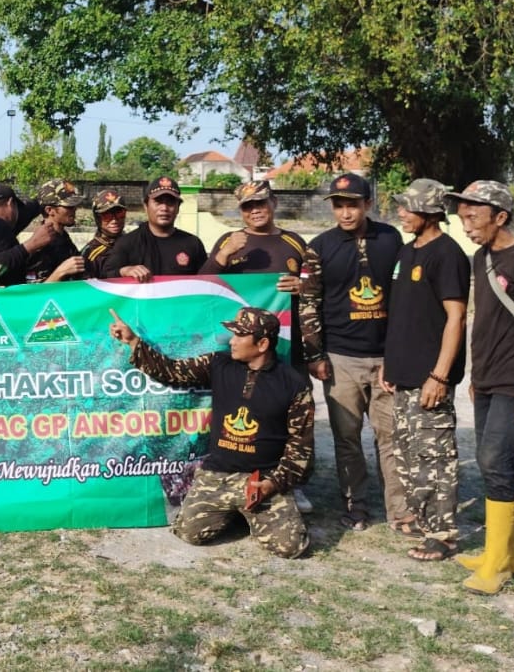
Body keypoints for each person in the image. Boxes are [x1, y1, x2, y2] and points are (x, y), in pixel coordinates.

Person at [108, 306, 313, 558]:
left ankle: (252, 509)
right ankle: (237, 512)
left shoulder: (293, 384)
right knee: (188, 533)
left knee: (291, 548)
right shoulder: (219, 364)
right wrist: (132, 341)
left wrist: (275, 483)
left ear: (261, 344)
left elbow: (300, 447)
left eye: (240, 336)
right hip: (218, 474)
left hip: (262, 479)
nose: (232, 341)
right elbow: (172, 371)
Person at [447, 180, 514, 595]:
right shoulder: (482, 257)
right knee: (495, 461)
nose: (467, 226)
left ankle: (496, 564)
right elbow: (488, 320)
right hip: (489, 377)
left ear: (500, 217)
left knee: (494, 462)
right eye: (462, 219)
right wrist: (477, 376)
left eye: (473, 217)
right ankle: (512, 554)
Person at [299, 173, 406, 532]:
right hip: (341, 358)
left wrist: (398, 355)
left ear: (368, 205)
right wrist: (315, 355)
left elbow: (403, 298)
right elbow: (309, 303)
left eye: (353, 205)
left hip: (386, 358)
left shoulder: (391, 239)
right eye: (339, 205)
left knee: (390, 436)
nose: (346, 213)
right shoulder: (319, 247)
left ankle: (399, 511)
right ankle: (355, 507)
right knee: (347, 438)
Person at [200, 178, 313, 513]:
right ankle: (240, 476)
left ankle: (295, 482)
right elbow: (204, 287)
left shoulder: (294, 242)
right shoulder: (228, 240)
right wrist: (222, 256)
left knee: (293, 418)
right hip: (244, 349)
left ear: (273, 203)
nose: (255, 211)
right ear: (241, 211)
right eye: (248, 207)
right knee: (251, 415)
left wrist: (301, 285)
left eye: (261, 203)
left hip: (287, 345)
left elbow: (314, 286)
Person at [380, 179, 469, 562]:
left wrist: (440, 376)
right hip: (403, 376)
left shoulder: (447, 254)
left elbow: (456, 317)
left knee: (435, 460)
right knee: (409, 457)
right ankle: (425, 521)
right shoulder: (406, 252)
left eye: (407, 207)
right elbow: (402, 315)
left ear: (430, 212)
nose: (400, 213)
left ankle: (443, 536)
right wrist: (390, 362)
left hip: (429, 379)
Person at [102, 176, 207, 280]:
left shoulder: (193, 244)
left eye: (170, 202)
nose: (164, 208)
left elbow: (207, 283)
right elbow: (105, 277)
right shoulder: (127, 243)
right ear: (146, 206)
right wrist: (125, 271)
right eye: (158, 202)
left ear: (178, 207)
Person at [0, 182, 54, 285]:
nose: (19, 213)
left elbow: (27, 212)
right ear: (10, 203)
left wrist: (47, 194)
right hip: (1, 299)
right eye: (17, 208)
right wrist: (31, 245)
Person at [24, 179, 87, 283]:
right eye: (69, 206)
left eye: (75, 206)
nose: (74, 209)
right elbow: (34, 293)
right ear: (49, 210)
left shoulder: (62, 238)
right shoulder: (39, 245)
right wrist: (60, 272)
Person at [82, 188, 127, 278]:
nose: (114, 220)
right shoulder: (90, 254)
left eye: (120, 214)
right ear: (97, 218)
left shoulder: (134, 243)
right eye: (107, 216)